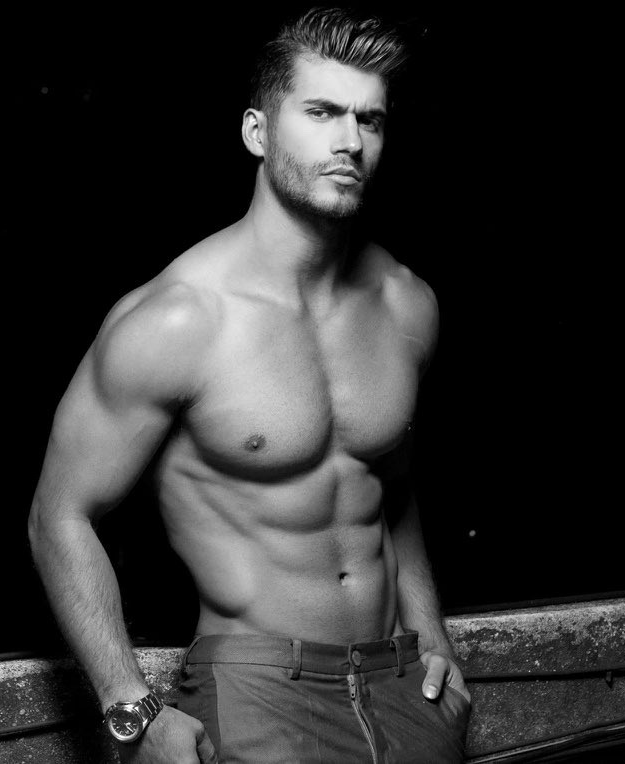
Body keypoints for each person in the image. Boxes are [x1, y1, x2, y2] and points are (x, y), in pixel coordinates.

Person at [28, 7, 470, 762]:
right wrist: (131, 708)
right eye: (321, 112)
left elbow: (391, 489)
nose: (349, 141)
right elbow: (59, 517)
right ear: (257, 133)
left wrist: (432, 637)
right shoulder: (180, 319)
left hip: (405, 689)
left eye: (369, 119)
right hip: (258, 694)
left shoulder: (407, 305)